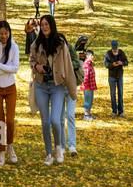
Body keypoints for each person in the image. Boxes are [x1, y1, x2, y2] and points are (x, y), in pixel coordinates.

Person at [30, 14, 77, 164]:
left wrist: (72, 90)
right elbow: (31, 61)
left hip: (58, 86)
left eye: (46, 24)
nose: (44, 27)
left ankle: (58, 147)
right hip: (41, 85)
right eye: (42, 25)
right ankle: (48, 154)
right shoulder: (36, 44)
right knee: (45, 122)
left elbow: (68, 67)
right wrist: (37, 66)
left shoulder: (61, 44)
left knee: (56, 120)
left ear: (52, 25)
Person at [0, 19, 20, 166]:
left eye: (6, 33)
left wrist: (0, 65)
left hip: (10, 87)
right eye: (1, 33)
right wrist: (5, 67)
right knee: (0, 120)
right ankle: (1, 151)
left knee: (10, 120)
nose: (4, 36)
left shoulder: (14, 47)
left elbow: (15, 68)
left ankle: (10, 147)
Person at [60, 28, 84, 155]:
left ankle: (72, 146)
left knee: (70, 115)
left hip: (71, 85)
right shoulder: (54, 51)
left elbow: (77, 63)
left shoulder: (70, 48)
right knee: (59, 117)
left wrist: (67, 64)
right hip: (58, 87)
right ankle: (62, 145)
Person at [104, 39, 129, 116]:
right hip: (112, 76)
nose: (115, 50)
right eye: (114, 49)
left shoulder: (121, 52)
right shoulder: (108, 53)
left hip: (120, 76)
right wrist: (112, 65)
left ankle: (121, 111)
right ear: (112, 47)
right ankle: (114, 111)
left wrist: (122, 63)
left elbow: (126, 62)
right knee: (113, 94)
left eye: (116, 49)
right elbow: (106, 64)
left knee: (120, 93)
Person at [82, 49, 97, 120]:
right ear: (87, 56)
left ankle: (89, 114)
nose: (92, 56)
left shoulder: (90, 63)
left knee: (90, 100)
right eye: (91, 55)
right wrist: (85, 86)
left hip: (91, 86)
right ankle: (86, 115)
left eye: (93, 55)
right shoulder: (86, 64)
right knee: (87, 101)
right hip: (87, 86)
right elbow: (85, 76)